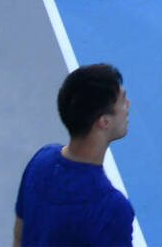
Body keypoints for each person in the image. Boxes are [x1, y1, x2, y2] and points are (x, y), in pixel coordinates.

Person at [12, 63, 134, 247]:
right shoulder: (111, 208)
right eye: (122, 99)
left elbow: (18, 236)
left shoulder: (40, 162)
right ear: (104, 122)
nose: (128, 104)